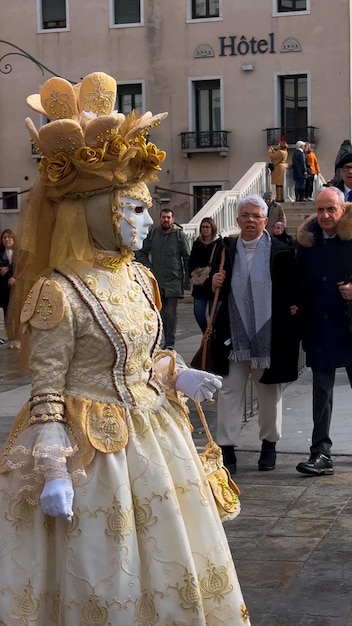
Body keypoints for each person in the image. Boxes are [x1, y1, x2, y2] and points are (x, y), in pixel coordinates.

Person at [0, 71, 251, 625]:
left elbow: (143, 354)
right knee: (103, 565)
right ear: (92, 212)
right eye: (130, 208)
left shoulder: (139, 279)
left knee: (168, 560)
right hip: (92, 457)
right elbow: (46, 390)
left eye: (144, 208)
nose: (142, 221)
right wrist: (55, 470)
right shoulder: (57, 290)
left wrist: (177, 375)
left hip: (153, 437)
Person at [211, 194, 299, 473]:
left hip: (268, 337)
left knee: (269, 393)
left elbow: (292, 290)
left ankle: (268, 445)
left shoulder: (282, 251)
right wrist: (213, 282)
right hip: (233, 337)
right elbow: (212, 289)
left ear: (265, 220)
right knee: (228, 391)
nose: (250, 220)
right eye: (245, 215)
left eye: (256, 216)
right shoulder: (225, 249)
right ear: (237, 220)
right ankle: (227, 449)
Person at [295, 187, 352, 476]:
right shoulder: (308, 243)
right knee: (321, 393)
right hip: (320, 327)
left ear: (343, 209)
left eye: (331, 209)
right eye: (320, 210)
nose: (325, 215)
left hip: (350, 326)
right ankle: (320, 453)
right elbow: (298, 282)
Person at [136, 208, 190, 349]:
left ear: (172, 219)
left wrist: (186, 282)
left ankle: (170, 343)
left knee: (171, 313)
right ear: (160, 219)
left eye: (168, 217)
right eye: (164, 217)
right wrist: (149, 269)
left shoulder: (179, 236)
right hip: (157, 281)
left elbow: (187, 258)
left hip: (174, 280)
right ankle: (158, 340)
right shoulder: (153, 235)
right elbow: (140, 253)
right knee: (159, 312)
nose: (166, 220)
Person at [189, 216, 222, 333]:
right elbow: (191, 261)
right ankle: (206, 333)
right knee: (198, 312)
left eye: (207, 227)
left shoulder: (219, 244)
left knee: (214, 314)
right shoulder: (197, 243)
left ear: (212, 228)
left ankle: (212, 335)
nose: (205, 230)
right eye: (203, 227)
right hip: (199, 284)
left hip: (213, 284)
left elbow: (222, 262)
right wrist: (192, 273)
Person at [0, 228, 16, 345]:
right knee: (5, 311)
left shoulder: (18, 253)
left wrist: (9, 269)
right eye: (4, 237)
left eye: (8, 237)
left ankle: (14, 335)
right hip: (2, 286)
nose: (6, 240)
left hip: (15, 286)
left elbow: (21, 266)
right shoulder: (1, 252)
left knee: (13, 311)